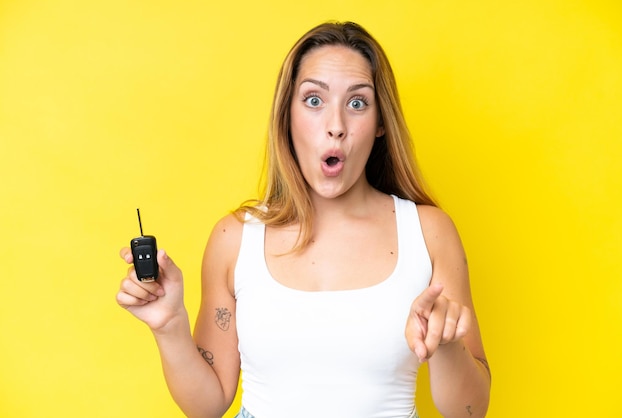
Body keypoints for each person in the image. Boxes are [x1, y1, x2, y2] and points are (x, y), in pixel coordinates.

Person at [116, 21, 491, 418]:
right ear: (287, 116)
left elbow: (469, 412)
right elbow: (207, 406)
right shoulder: (235, 238)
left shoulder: (429, 233)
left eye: (357, 103)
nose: (336, 127)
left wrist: (447, 343)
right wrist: (169, 324)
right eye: (314, 100)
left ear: (381, 123)